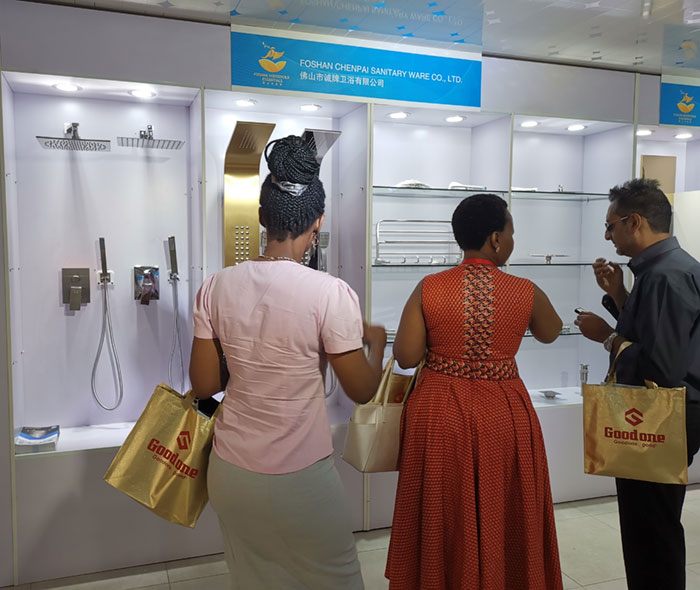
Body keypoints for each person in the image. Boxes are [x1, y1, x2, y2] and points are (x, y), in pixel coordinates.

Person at [189, 134, 386, 590]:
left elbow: (204, 385)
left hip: (230, 471)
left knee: (255, 579)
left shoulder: (215, 286)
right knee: (337, 580)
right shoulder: (329, 293)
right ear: (318, 221)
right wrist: (373, 344)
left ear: (261, 216)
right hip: (300, 479)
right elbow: (361, 390)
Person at [385, 193, 564, 589]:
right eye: (511, 232)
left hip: (439, 412)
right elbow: (551, 331)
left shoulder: (429, 287)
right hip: (504, 412)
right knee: (504, 505)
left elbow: (406, 356)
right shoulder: (524, 290)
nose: (512, 240)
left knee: (441, 506)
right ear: (496, 240)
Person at [575, 178, 700, 590]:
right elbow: (654, 334)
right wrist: (619, 295)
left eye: (610, 226)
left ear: (634, 222)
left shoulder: (666, 276)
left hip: (662, 418)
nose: (607, 236)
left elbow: (661, 367)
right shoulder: (663, 270)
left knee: (651, 533)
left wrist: (607, 337)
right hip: (663, 414)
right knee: (649, 527)